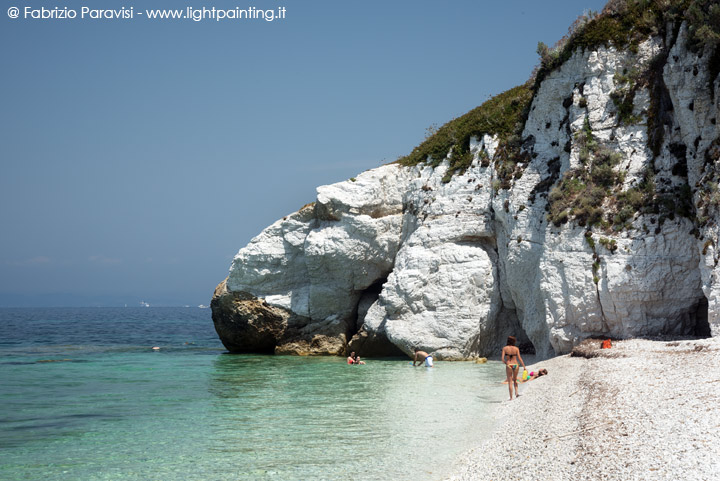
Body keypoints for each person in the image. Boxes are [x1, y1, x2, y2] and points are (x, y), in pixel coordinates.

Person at [502, 336, 525, 400]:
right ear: (514, 341)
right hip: (516, 365)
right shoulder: (516, 348)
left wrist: (506, 363)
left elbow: (502, 359)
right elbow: (520, 358)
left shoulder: (505, 348)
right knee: (515, 380)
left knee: (509, 381)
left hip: (509, 365)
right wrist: (524, 367)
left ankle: (511, 397)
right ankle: (517, 393)